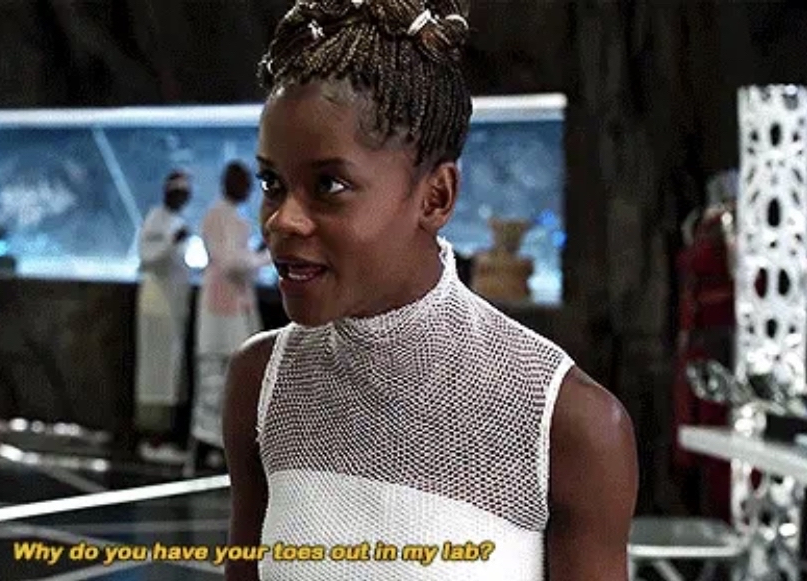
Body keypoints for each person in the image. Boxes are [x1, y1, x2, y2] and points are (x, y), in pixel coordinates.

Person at [223, 1, 638, 580]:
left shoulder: (569, 425)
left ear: (436, 196)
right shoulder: (262, 384)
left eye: (329, 185)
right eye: (272, 182)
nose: (281, 221)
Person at [191, 162, 271, 469]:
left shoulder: (234, 217)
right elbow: (229, 262)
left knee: (233, 373)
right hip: (219, 305)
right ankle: (210, 443)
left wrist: (256, 256)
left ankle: (226, 441)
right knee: (215, 373)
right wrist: (263, 257)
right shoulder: (218, 216)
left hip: (236, 304)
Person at [134, 170, 193, 457]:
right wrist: (171, 240)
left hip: (174, 306)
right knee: (155, 373)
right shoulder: (155, 219)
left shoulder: (177, 221)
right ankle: (152, 438)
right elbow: (147, 256)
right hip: (156, 306)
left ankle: (165, 435)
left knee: (170, 373)